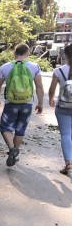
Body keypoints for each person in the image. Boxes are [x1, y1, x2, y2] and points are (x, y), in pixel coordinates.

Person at [0, 42, 44, 167]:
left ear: (14, 53)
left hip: (11, 103)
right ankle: (15, 152)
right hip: (27, 103)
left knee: (5, 128)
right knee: (20, 130)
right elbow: (39, 86)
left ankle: (12, 149)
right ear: (27, 53)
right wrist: (40, 103)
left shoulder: (5, 67)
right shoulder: (35, 67)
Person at [48, 44, 72, 175]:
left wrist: (51, 99)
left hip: (63, 106)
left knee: (66, 134)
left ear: (66, 56)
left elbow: (52, 89)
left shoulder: (59, 71)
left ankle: (68, 163)